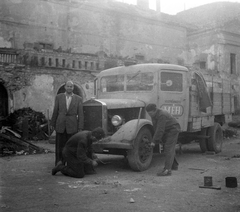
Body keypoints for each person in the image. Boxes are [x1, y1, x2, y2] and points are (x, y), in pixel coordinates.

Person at [51, 80, 83, 166]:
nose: (69, 88)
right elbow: (55, 111)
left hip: (72, 126)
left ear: (73, 88)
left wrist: (80, 127)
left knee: (71, 146)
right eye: (68, 86)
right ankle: (59, 163)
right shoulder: (59, 97)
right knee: (59, 146)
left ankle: (70, 164)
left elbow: (80, 114)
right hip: (60, 124)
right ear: (65, 87)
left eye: (71, 86)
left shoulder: (78, 99)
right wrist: (52, 124)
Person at [146, 103, 180, 176]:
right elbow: (156, 127)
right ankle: (174, 165)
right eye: (149, 114)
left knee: (168, 148)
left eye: (151, 113)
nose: (150, 115)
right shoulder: (153, 114)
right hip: (167, 130)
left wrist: (154, 141)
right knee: (169, 148)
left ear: (155, 110)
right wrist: (156, 139)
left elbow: (160, 129)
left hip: (173, 129)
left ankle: (167, 170)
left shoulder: (162, 114)